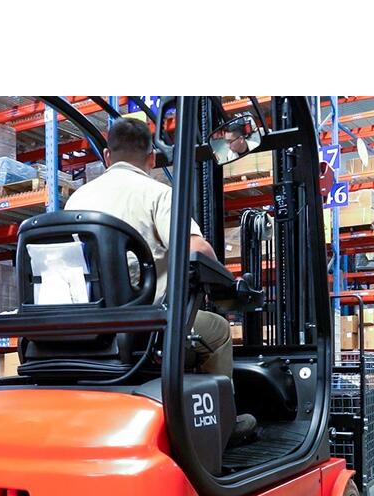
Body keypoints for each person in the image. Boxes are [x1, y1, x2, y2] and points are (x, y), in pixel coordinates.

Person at [64, 117, 256, 444]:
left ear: (107, 156)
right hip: (148, 329)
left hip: (86, 327)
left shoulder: (76, 201)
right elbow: (197, 250)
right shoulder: (158, 194)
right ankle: (222, 426)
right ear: (152, 158)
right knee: (219, 330)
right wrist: (225, 281)